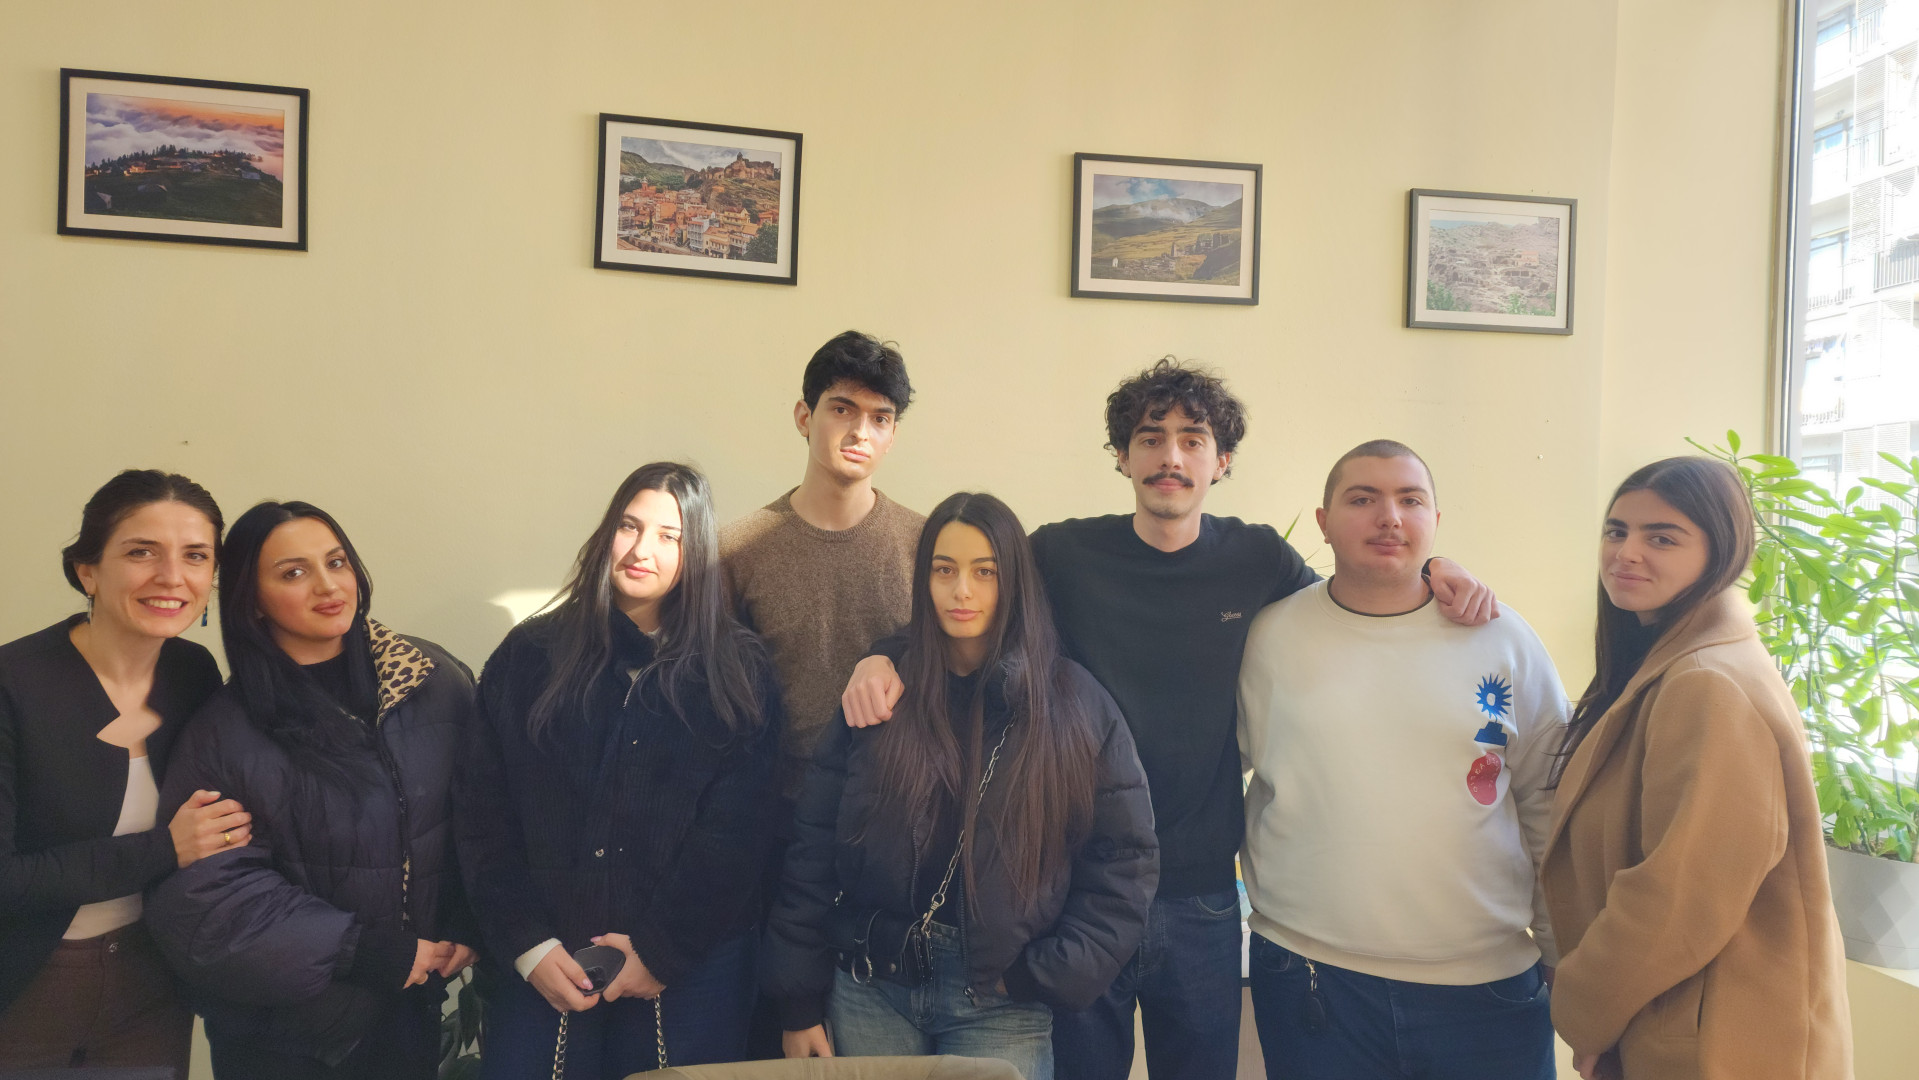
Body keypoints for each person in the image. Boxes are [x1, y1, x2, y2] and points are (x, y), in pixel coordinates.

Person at [842, 359, 1498, 1080]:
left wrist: (1435, 568)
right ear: (1122, 456)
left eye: (1192, 439)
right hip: (1075, 890)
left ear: (1222, 461)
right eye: (1150, 438)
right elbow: (968, 609)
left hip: (1202, 899)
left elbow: (1351, 604)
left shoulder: (1255, 557)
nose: (1171, 457)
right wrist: (884, 656)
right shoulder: (1063, 553)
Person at [763, 492, 1158, 1080]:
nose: (962, 591)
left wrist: (1046, 974)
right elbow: (813, 848)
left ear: (1014, 581)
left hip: (1001, 1000)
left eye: (985, 572)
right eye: (944, 570)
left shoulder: (1073, 705)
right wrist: (796, 999)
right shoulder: (881, 694)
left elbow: (1125, 859)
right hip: (872, 986)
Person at [1237, 441, 1564, 1080]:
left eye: (1410, 500)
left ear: (1435, 521)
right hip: (1312, 980)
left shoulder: (1502, 637)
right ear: (1323, 521)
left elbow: (1548, 803)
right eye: (1363, 499)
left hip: (1487, 987)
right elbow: (1216, 770)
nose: (1389, 517)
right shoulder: (1270, 636)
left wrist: (1561, 947)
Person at [460, 462, 784, 1078]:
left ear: (697, 553)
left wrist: (662, 951)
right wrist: (528, 944)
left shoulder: (737, 669)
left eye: (669, 536)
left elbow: (738, 832)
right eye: (629, 527)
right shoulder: (530, 655)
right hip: (547, 961)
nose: (641, 550)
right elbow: (482, 815)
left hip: (690, 972)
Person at [1543, 457, 1852, 1080]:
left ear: (1721, 551)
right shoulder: (1674, 662)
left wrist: (1580, 1009)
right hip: (1676, 1017)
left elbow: (1678, 896)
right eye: (1616, 530)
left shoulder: (1707, 683)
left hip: (1720, 1037)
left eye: (1662, 537)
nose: (1627, 552)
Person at [146, 501, 479, 1079]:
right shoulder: (226, 729)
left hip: (410, 1011)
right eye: (294, 572)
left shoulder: (433, 680)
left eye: (337, 562)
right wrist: (359, 949)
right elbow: (208, 900)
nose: (328, 586)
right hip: (284, 1037)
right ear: (252, 599)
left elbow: (480, 816)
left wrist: (464, 921)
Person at [0, 469, 248, 1074]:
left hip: (152, 982)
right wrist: (166, 848)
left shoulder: (192, 672)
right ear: (87, 570)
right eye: (142, 552)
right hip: (22, 984)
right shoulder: (13, 684)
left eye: (195, 556)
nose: (172, 576)